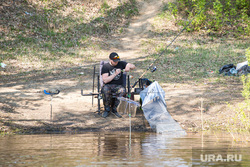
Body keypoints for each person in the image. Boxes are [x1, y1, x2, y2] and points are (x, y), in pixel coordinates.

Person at [101, 52, 136, 118]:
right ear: (110, 60)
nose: (116, 62)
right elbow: (105, 80)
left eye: (117, 61)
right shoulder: (105, 67)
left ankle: (115, 109)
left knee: (122, 91)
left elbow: (133, 66)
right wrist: (115, 74)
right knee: (105, 89)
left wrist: (128, 66)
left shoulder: (121, 63)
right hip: (108, 85)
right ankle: (107, 109)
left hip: (118, 85)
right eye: (114, 61)